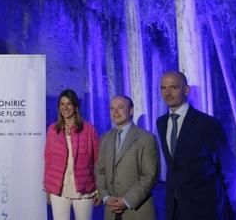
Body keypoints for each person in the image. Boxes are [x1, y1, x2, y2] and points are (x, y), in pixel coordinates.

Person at [156, 71, 236, 220]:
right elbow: (174, 165)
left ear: (186, 90)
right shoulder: (161, 123)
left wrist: (226, 207)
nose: (167, 93)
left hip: (207, 208)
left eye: (173, 87)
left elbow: (231, 171)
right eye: (163, 88)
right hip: (175, 208)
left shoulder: (208, 124)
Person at [95, 95, 159, 220]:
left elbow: (149, 176)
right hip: (111, 211)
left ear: (131, 110)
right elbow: (100, 171)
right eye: (112, 108)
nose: (115, 112)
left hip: (137, 211)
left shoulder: (146, 138)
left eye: (120, 107)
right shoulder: (105, 138)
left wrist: (126, 201)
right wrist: (106, 197)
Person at [44, 89, 99, 220]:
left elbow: (98, 160)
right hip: (59, 188)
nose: (65, 107)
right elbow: (48, 159)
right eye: (62, 104)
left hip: (84, 188)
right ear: (58, 107)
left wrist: (99, 189)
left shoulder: (89, 129)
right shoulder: (52, 130)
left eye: (69, 104)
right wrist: (48, 187)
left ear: (75, 107)